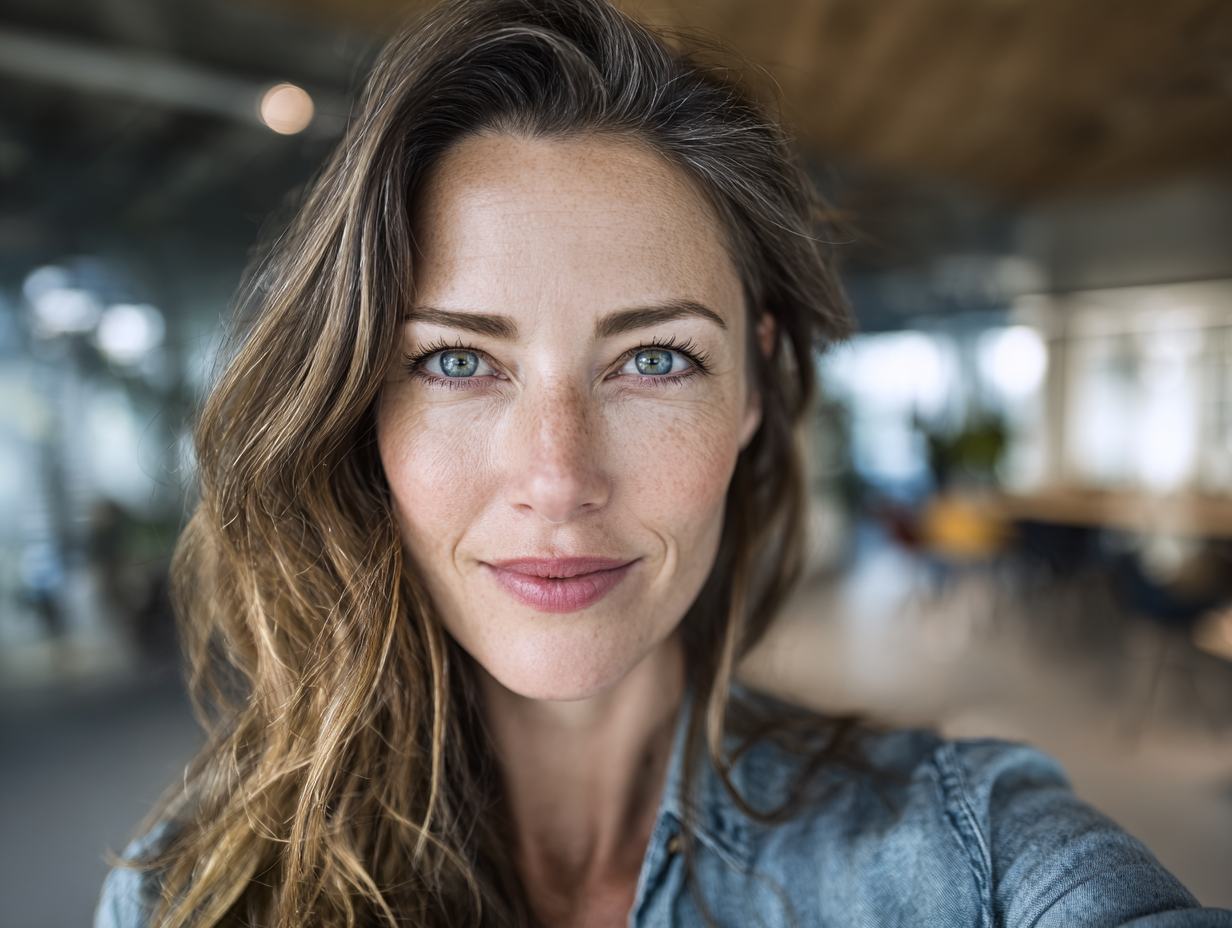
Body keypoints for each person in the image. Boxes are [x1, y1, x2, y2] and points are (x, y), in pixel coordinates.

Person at [97, 0, 1229, 926]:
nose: (557, 476)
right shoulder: (184, 894)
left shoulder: (973, 860)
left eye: (651, 357)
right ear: (356, 405)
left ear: (750, 385)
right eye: (453, 359)